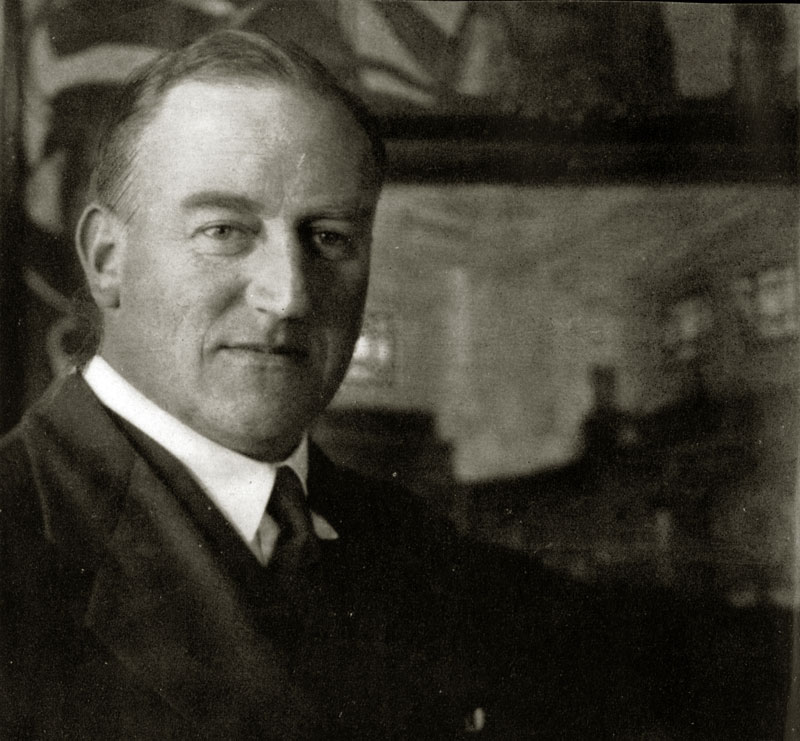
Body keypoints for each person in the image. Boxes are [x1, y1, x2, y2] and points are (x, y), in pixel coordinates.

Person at [0, 29, 625, 740]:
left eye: (329, 237)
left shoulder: (412, 547)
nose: (289, 295)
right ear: (107, 259)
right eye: (224, 231)